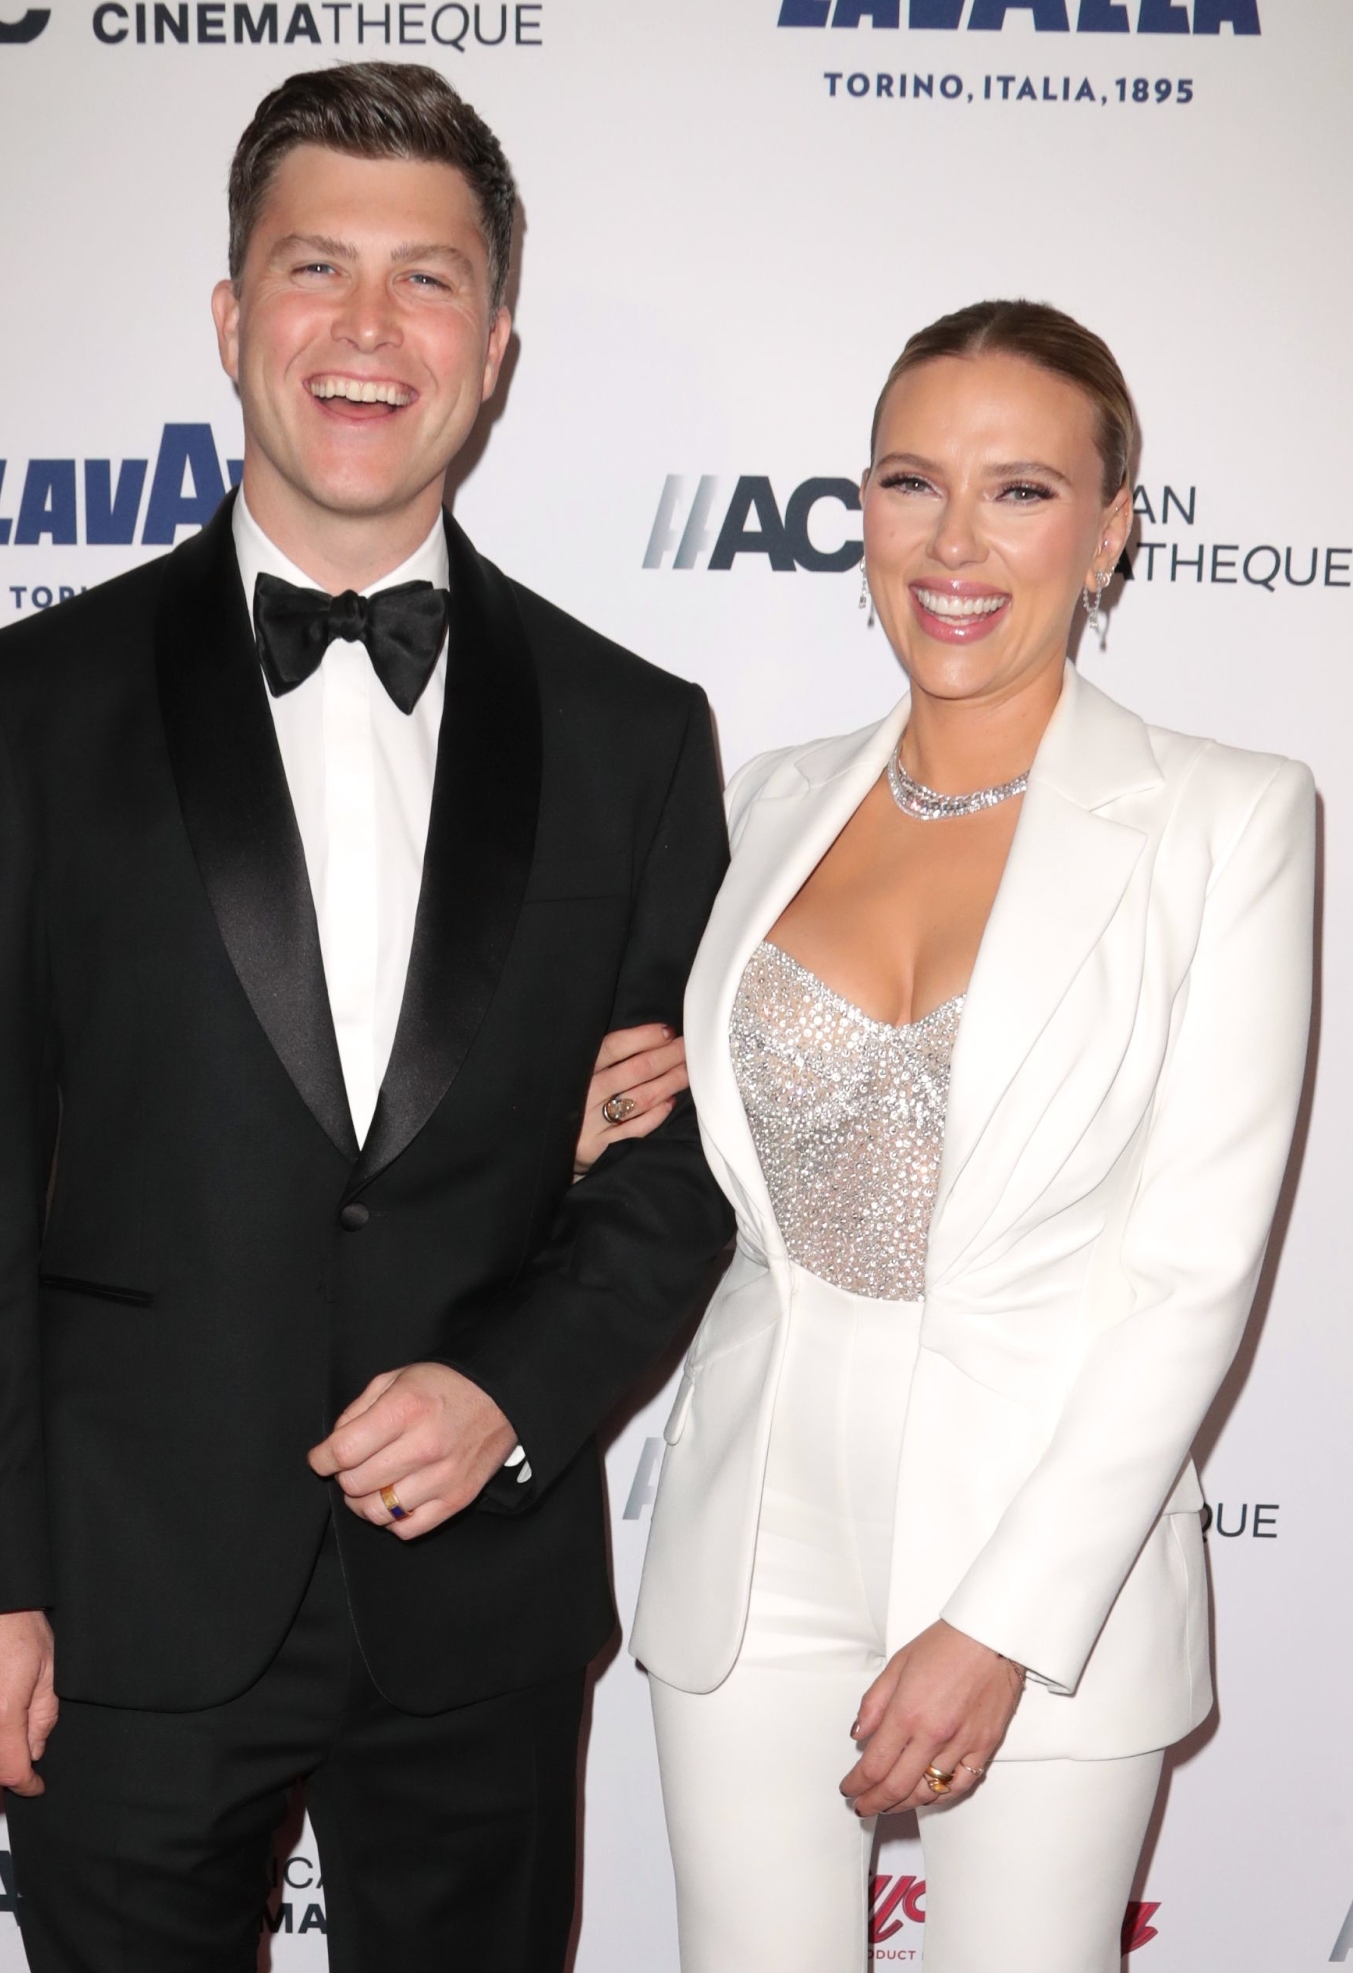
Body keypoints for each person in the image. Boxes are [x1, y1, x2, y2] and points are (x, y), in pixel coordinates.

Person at [0, 61, 730, 1973]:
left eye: (427, 279)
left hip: (479, 1607)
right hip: (117, 1603)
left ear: (493, 351)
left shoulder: (634, 733)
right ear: (228, 312)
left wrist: (510, 1390)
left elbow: (679, 1171)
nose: (367, 328)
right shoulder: (25, 709)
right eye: (314, 267)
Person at [629, 299, 1315, 1972]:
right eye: (910, 481)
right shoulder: (765, 801)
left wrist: (1003, 1619)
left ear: (1113, 529)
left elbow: (1194, 1276)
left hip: (1050, 1557)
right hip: (750, 1537)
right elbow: (723, 1157)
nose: (953, 543)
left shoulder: (1229, 819)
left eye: (1021, 491)